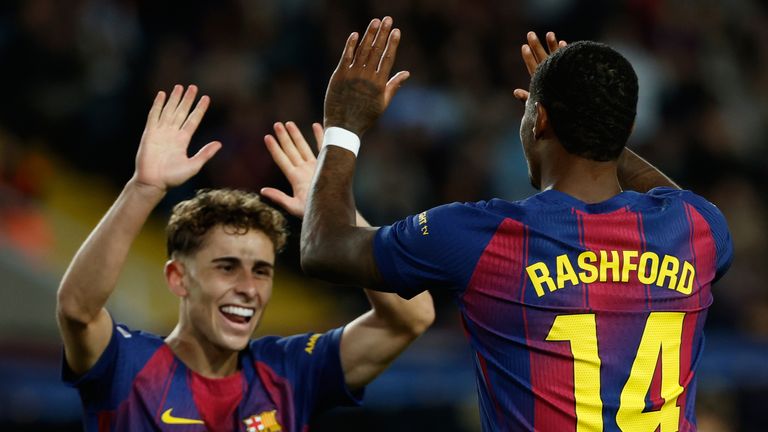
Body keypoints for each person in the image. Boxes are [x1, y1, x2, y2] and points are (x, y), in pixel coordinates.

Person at [300, 17, 733, 432]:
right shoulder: (696, 230)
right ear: (627, 131)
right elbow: (682, 200)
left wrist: (344, 125)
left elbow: (324, 248)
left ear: (539, 119)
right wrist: (599, 120)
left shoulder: (479, 236)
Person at [56, 84, 434, 431]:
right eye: (227, 267)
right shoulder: (129, 365)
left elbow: (411, 316)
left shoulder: (288, 371)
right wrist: (143, 189)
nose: (248, 288)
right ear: (178, 277)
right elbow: (77, 309)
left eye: (261, 271)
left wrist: (334, 213)